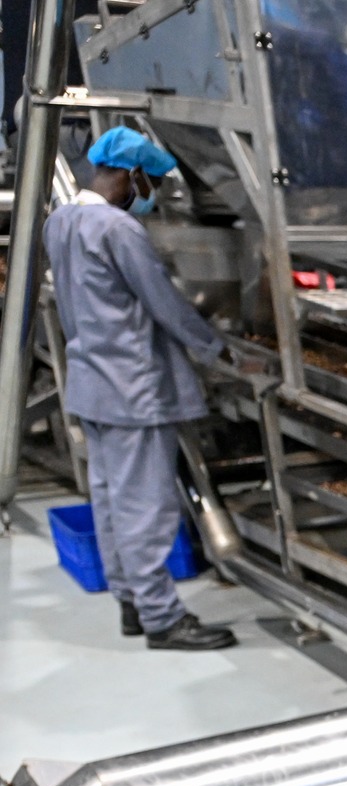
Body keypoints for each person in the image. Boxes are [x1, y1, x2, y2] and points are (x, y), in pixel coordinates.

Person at [45, 128, 236, 649]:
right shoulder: (118, 228)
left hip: (92, 382)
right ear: (132, 175)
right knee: (146, 509)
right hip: (133, 388)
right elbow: (162, 302)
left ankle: (132, 602)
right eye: (150, 181)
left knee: (110, 500)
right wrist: (216, 348)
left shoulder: (60, 221)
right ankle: (162, 619)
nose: (151, 193)